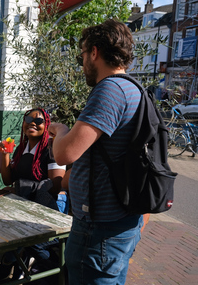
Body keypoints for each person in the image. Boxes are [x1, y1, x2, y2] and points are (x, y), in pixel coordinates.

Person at [49, 19, 144, 284]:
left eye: (82, 55)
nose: (82, 64)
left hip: (100, 230)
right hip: (121, 221)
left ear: (94, 52)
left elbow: (65, 154)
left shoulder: (110, 90)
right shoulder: (134, 89)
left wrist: (62, 130)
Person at [0, 108, 66, 210]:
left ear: (46, 125)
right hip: (24, 202)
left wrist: (19, 189)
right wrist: (5, 155)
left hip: (48, 206)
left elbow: (55, 186)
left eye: (38, 121)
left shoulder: (53, 148)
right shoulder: (21, 149)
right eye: (28, 119)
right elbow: (7, 181)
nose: (32, 123)